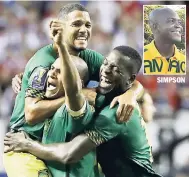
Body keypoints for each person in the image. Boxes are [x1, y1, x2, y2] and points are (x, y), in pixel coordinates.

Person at [5, 46, 161, 177]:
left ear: (130, 79)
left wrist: (27, 144)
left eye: (116, 70)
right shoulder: (101, 95)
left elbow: (69, 153)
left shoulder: (117, 111)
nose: (106, 70)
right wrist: (26, 78)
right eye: (105, 63)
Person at [144, 7, 185, 75]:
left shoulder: (184, 60)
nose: (179, 26)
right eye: (171, 21)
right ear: (155, 26)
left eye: (179, 22)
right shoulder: (142, 56)